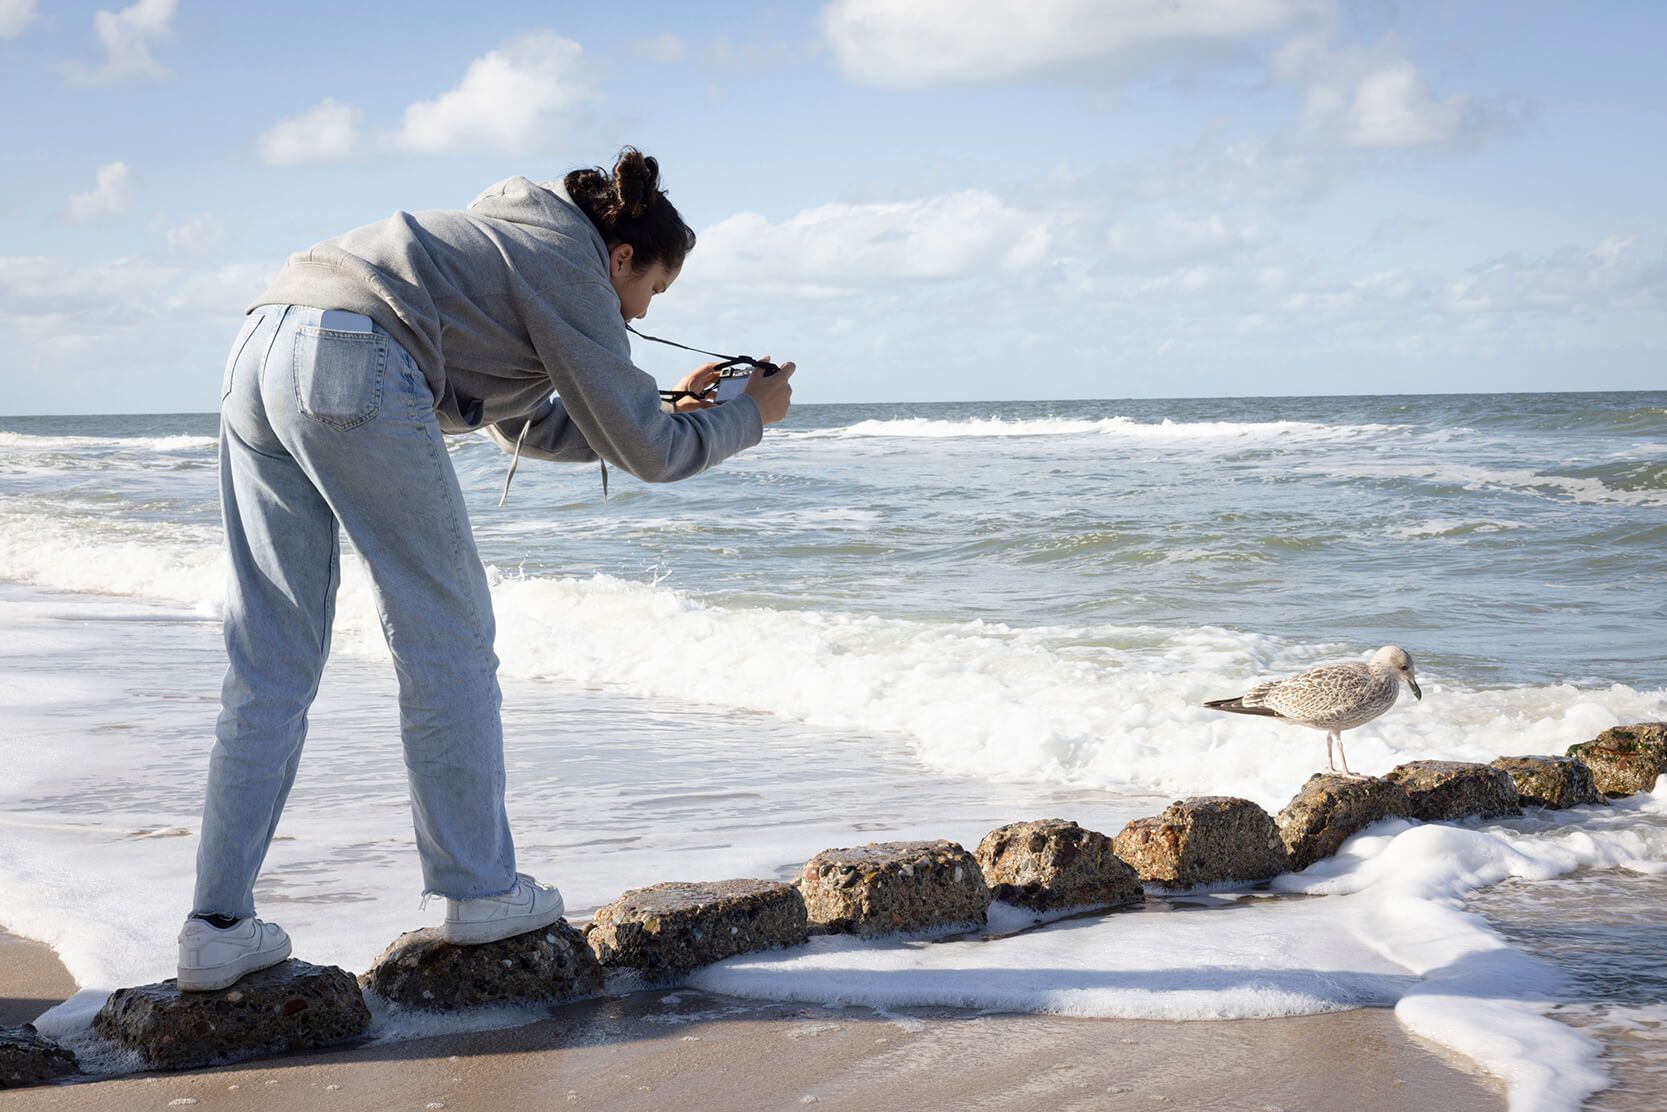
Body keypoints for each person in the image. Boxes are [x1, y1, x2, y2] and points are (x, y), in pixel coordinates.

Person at [178, 148, 794, 992]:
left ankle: (216, 927)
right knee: (448, 634)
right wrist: (746, 419)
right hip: (353, 347)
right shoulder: (567, 266)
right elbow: (648, 458)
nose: (644, 312)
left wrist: (665, 405)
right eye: (652, 290)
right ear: (620, 256)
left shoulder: (501, 244)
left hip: (260, 344)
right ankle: (478, 891)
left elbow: (524, 426)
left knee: (271, 653)